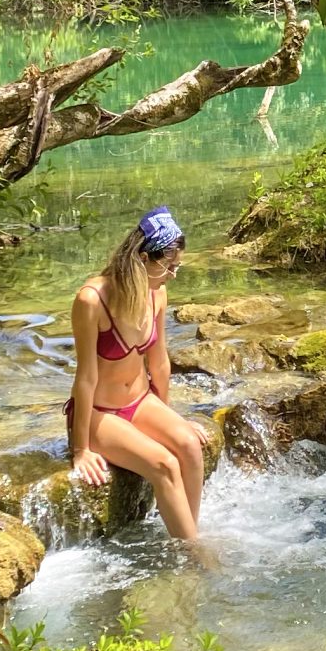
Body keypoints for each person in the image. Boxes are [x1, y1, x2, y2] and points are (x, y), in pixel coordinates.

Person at [67, 206, 206, 538]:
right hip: (100, 413)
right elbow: (85, 378)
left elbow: (159, 363)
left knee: (189, 445)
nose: (173, 274)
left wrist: (168, 419)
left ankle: (188, 536)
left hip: (141, 401)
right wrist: (81, 449)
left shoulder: (157, 293)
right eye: (169, 266)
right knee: (164, 464)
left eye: (177, 266)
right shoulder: (92, 301)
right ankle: (194, 554)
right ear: (143, 259)